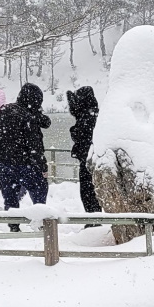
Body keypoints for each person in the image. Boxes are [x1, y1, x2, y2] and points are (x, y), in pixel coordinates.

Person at [0, 82, 51, 231]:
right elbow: (35, 146)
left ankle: (13, 226)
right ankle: (39, 221)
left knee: (10, 195)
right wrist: (43, 166)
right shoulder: (28, 117)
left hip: (4, 162)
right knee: (39, 188)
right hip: (25, 163)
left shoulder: (5, 111)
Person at [67, 85, 102, 213]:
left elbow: (80, 135)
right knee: (93, 190)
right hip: (96, 157)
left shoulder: (86, 117)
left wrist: (73, 130)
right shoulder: (97, 113)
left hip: (87, 158)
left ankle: (93, 219)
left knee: (87, 191)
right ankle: (95, 217)